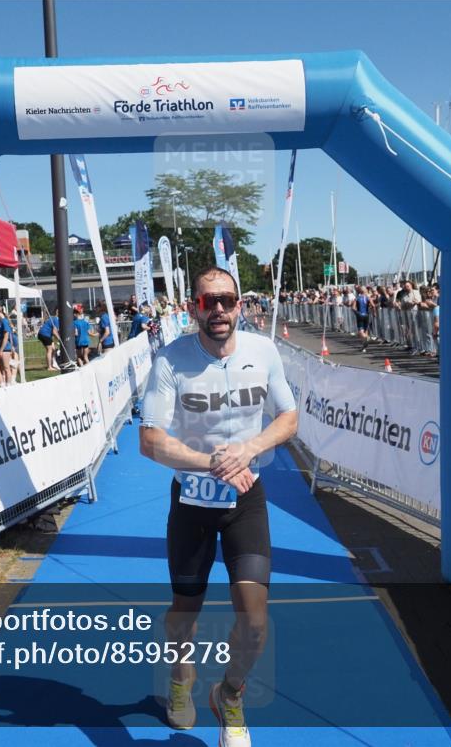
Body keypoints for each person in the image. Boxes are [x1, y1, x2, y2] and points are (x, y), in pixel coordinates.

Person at [140, 266, 298, 746]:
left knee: (255, 619)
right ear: (194, 308)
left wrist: (247, 451)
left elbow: (288, 417)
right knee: (184, 609)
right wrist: (210, 462)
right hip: (191, 500)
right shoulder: (171, 361)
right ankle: (180, 675)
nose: (220, 310)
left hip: (245, 499)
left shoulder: (263, 351)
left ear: (240, 304)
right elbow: (150, 440)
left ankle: (229, 694)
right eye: (209, 302)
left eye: (227, 300)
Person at [354, 285, 371, 352]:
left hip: (360, 315)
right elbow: (372, 305)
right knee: (365, 331)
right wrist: (372, 310)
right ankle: (364, 347)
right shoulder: (368, 297)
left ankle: (366, 338)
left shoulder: (357, 298)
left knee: (361, 332)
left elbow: (353, 307)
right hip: (366, 315)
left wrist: (356, 313)